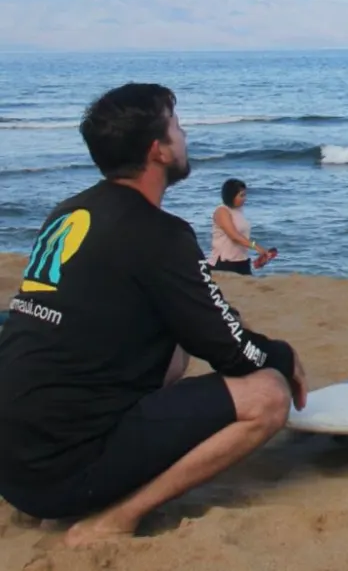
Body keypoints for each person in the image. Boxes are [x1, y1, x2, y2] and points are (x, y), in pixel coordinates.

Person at [0, 83, 308, 547]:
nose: (185, 137)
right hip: (62, 473)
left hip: (13, 464)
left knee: (178, 343)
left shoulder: (69, 213)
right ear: (157, 151)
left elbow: (201, 322)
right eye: (177, 128)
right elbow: (231, 352)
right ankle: (115, 519)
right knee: (267, 394)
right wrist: (281, 355)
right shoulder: (157, 233)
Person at [210, 178, 274, 275]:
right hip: (224, 262)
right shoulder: (222, 211)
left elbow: (242, 236)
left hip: (242, 260)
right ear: (231, 196)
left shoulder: (239, 211)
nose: (245, 198)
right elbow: (234, 236)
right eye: (241, 195)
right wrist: (257, 247)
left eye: (245, 195)